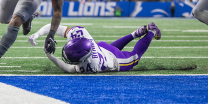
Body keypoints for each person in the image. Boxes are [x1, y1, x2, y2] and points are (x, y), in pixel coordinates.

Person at [28, 22, 161, 73]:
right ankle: (135, 34)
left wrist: (49, 56)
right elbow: (53, 27)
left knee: (134, 57)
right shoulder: (82, 34)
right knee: (110, 49)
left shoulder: (91, 65)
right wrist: (38, 34)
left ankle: (152, 31)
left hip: (112, 59)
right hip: (101, 48)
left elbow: (68, 68)